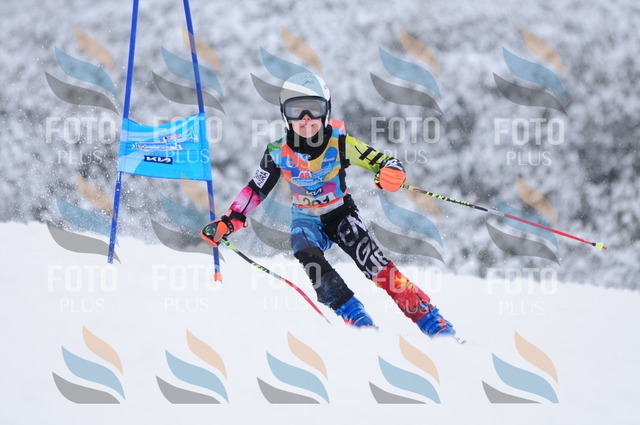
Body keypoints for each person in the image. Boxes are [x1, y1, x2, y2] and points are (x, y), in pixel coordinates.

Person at [201, 72, 455, 337]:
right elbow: (256, 189)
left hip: (341, 214)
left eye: (314, 109)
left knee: (376, 265)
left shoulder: (340, 142)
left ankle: (432, 321)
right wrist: (229, 221)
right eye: (296, 111)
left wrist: (392, 172)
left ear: (326, 110)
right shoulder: (277, 152)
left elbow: (382, 162)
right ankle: (356, 318)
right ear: (285, 115)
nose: (306, 119)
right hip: (305, 219)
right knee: (305, 251)